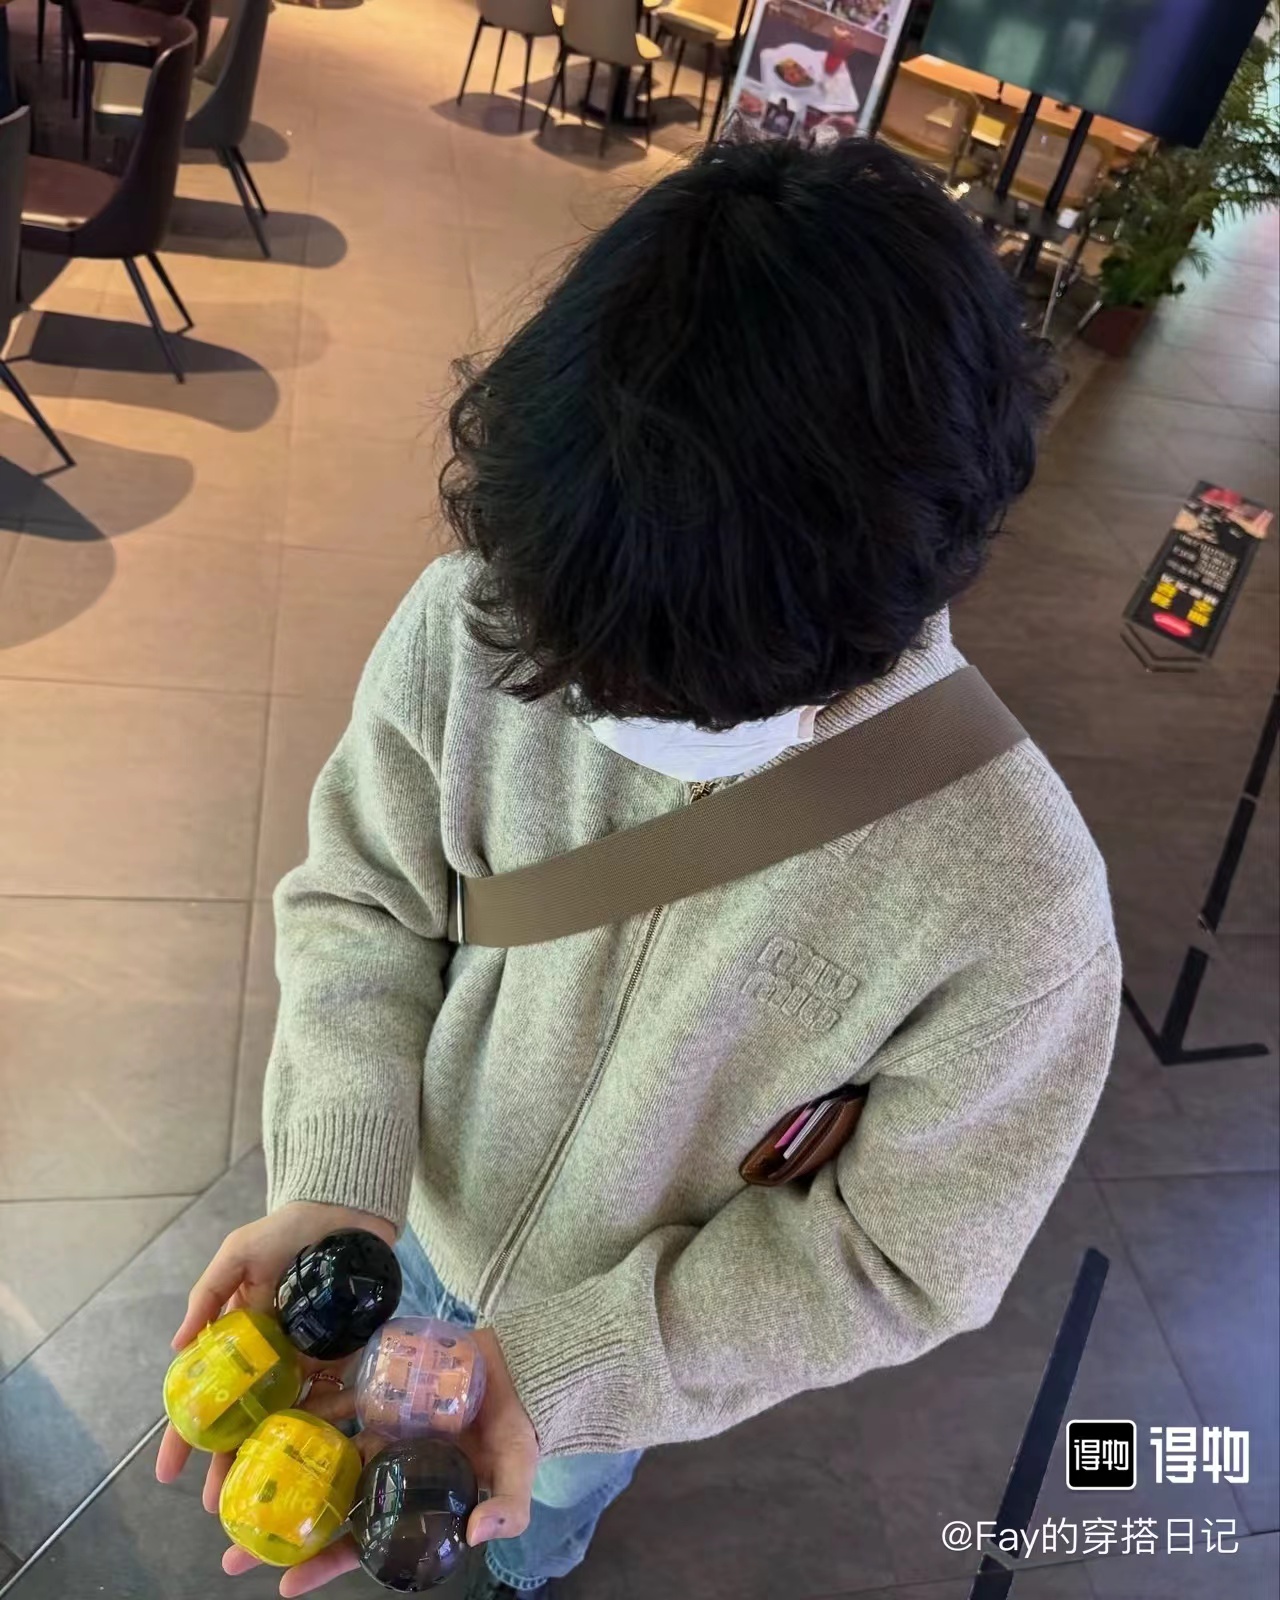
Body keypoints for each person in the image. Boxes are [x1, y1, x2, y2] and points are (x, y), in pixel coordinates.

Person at [157, 137, 1121, 1599]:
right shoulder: (480, 614)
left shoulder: (1015, 905)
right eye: (573, 668)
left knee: (531, 1532)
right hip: (406, 1208)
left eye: (678, 697)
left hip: (603, 1367)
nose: (607, 707)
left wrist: (561, 1378)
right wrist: (341, 1183)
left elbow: (899, 1253)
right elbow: (363, 901)